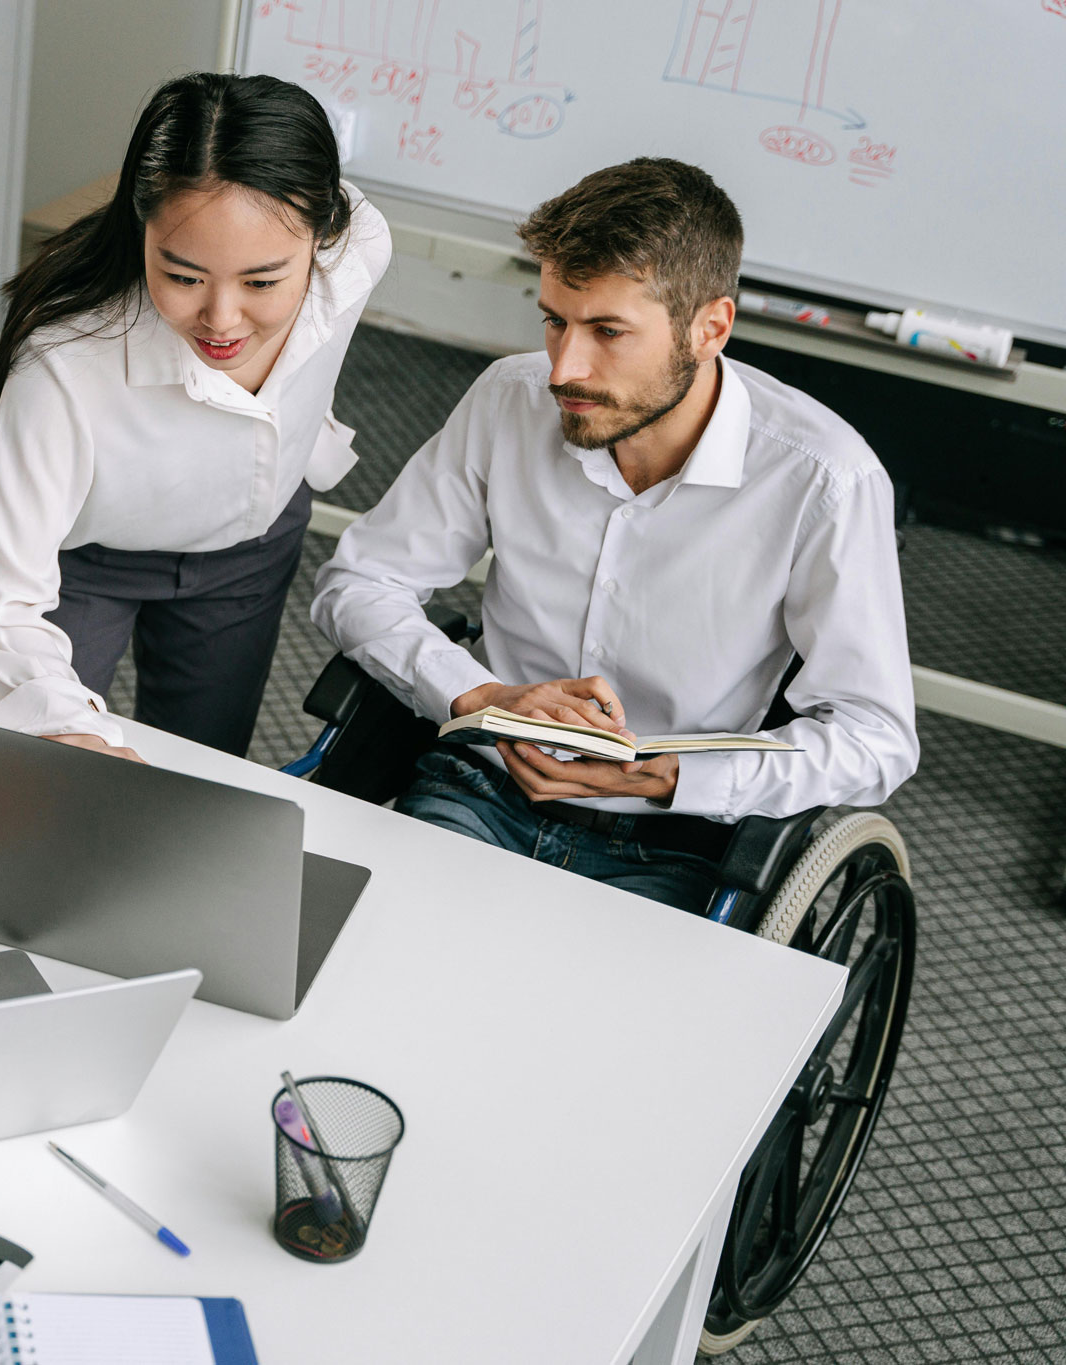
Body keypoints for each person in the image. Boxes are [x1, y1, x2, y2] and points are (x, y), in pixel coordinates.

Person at [313, 158, 918, 913]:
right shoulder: (510, 398)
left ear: (710, 328)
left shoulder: (825, 481)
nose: (565, 366)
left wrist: (665, 776)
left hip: (673, 835)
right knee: (375, 972)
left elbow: (875, 736)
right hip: (482, 781)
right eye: (554, 320)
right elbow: (360, 581)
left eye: (607, 331)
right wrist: (480, 694)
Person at [0, 72, 391, 759]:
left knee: (202, 767)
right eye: (182, 275)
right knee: (43, 762)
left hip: (250, 547)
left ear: (322, 236)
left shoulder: (358, 254)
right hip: (87, 561)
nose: (221, 318)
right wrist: (76, 726)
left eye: (263, 281)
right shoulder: (66, 363)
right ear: (141, 225)